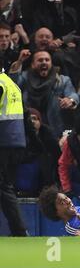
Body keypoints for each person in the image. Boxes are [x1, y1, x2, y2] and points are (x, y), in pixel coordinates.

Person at [0, 72, 27, 236]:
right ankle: (19, 231)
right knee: (4, 187)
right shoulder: (10, 82)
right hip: (15, 141)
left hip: (3, 140)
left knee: (4, 188)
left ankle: (20, 231)